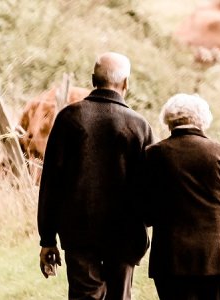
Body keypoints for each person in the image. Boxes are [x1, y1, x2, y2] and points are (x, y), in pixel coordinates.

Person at [37, 52, 154, 300]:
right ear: (126, 84)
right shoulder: (139, 126)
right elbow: (149, 188)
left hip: (78, 232)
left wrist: (47, 238)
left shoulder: (69, 118)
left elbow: (51, 183)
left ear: (93, 80)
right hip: (125, 235)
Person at [142, 94, 220, 300]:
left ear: (168, 119)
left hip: (171, 257)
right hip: (217, 256)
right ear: (203, 120)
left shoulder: (153, 154)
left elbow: (145, 208)